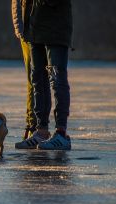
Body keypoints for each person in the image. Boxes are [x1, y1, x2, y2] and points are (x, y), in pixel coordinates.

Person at [22, 0, 73, 150]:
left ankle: (61, 133)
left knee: (57, 81)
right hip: (34, 32)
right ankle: (41, 130)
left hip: (55, 32)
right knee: (38, 80)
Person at [12, 0, 50, 149]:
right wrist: (21, 29)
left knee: (42, 79)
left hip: (43, 30)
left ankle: (39, 126)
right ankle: (33, 125)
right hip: (29, 32)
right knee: (34, 80)